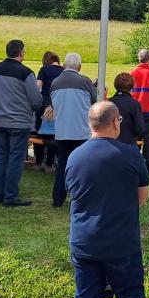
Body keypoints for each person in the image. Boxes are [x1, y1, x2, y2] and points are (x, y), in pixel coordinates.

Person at [66, 101, 149, 298]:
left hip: (85, 242)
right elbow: (143, 196)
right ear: (115, 122)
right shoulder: (130, 154)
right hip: (121, 242)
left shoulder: (74, 156)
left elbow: (74, 194)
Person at [0, 40, 42, 207]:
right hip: (19, 121)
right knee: (15, 159)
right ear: (21, 53)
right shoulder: (25, 73)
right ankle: (10, 196)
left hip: (0, 119)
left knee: (1, 157)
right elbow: (36, 100)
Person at [50, 52, 97, 207]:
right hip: (82, 132)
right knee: (81, 167)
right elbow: (94, 103)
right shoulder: (86, 82)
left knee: (62, 165)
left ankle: (58, 198)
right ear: (80, 67)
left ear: (64, 65)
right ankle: (79, 198)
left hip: (62, 131)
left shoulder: (55, 83)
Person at [34, 51, 63, 172]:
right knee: (55, 134)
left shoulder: (44, 69)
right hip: (59, 105)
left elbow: (37, 87)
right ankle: (50, 164)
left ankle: (38, 162)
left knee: (39, 132)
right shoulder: (64, 70)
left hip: (44, 104)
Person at [108, 73, 144, 146]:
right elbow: (139, 129)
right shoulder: (134, 104)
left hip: (110, 143)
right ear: (132, 86)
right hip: (128, 144)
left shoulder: (108, 103)